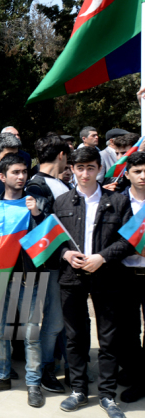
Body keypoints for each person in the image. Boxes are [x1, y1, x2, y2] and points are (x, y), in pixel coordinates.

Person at [54, 147, 132, 417]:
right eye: (79, 168)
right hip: (72, 278)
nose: (84, 173)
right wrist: (65, 253)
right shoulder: (62, 202)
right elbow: (53, 242)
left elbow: (128, 241)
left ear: (99, 168)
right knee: (75, 337)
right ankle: (78, 390)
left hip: (108, 277)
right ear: (72, 170)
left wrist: (102, 257)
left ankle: (108, 395)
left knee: (109, 339)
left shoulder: (118, 201)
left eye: (90, 168)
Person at [0, 153, 46, 408]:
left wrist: (37, 214)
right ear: (2, 176)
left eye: (24, 172)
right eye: (15, 172)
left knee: (31, 334)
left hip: (30, 279)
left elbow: (46, 242)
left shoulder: (35, 204)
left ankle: (33, 384)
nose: (21, 176)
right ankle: (3, 376)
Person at [23, 135, 71, 394]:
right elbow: (39, 230)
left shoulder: (55, 182)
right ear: (61, 154)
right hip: (50, 265)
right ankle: (45, 370)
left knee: (59, 320)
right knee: (52, 321)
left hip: (64, 263)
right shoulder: (37, 185)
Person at [117, 151, 145, 404]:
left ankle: (142, 380)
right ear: (127, 174)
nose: (143, 176)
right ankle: (135, 373)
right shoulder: (117, 201)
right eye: (137, 171)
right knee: (128, 330)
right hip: (125, 274)